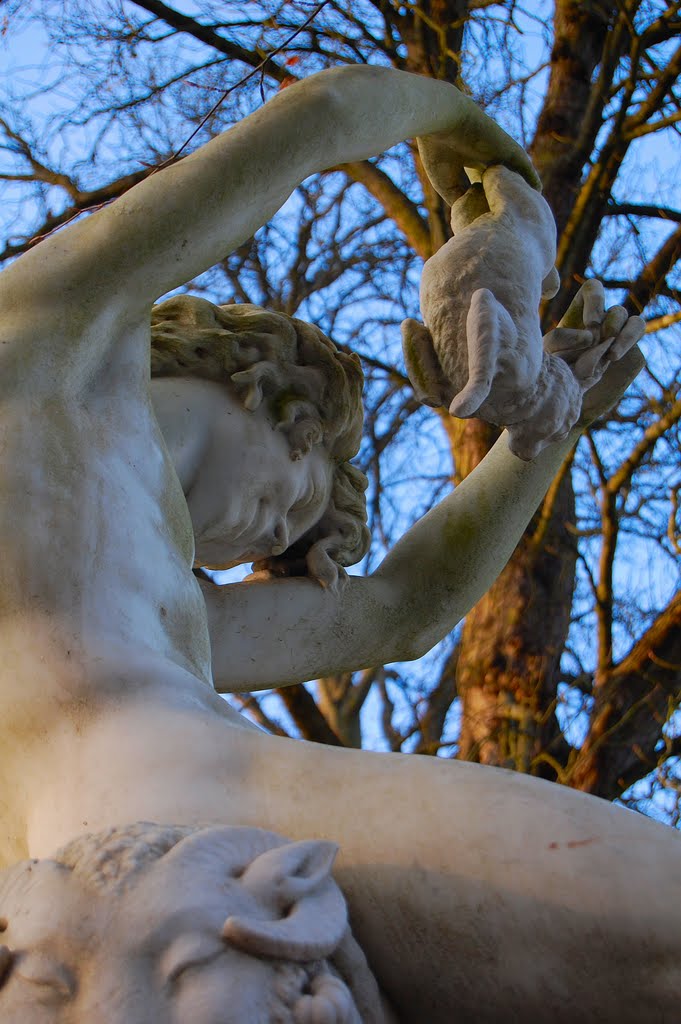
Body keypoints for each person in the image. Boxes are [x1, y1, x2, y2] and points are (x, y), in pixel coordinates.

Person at [0, 65, 677, 1022]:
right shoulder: (45, 337)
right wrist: (484, 167)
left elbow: (402, 612)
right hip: (208, 807)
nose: (274, 539)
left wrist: (540, 436)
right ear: (267, 390)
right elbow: (314, 120)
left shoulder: (163, 611)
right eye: (297, 490)